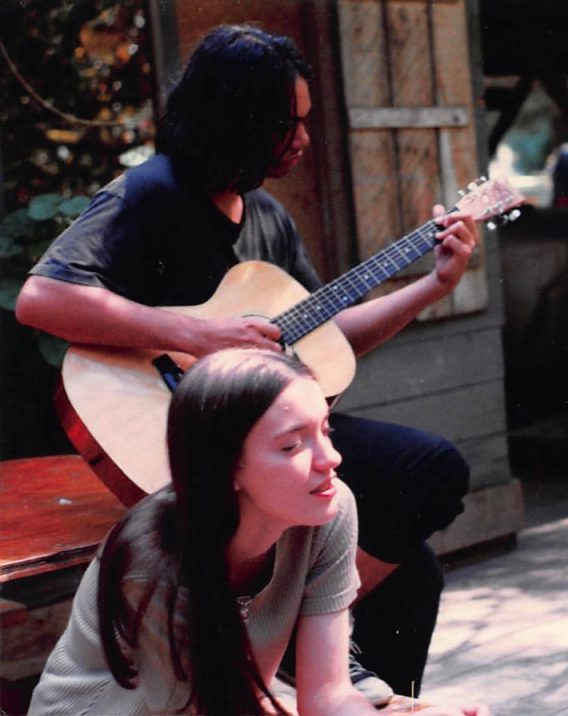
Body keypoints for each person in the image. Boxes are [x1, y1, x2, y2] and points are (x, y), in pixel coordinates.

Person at [15, 25, 480, 703]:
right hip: (194, 438)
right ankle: (295, 653)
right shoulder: (149, 195)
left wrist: (433, 285)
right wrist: (193, 336)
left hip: (269, 433)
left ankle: (344, 682)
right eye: (287, 124)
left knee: (416, 573)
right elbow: (40, 297)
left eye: (306, 122)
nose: (303, 140)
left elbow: (328, 338)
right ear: (237, 118)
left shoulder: (267, 218)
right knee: (430, 468)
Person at [28, 349, 490, 716]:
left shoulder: (328, 511)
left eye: (325, 431)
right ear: (227, 467)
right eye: (292, 444)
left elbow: (327, 696)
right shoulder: (151, 560)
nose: (330, 458)